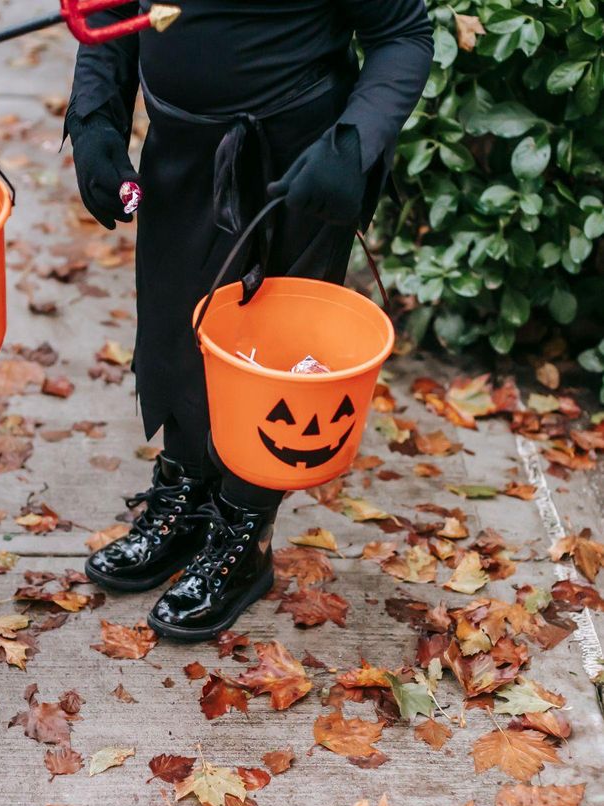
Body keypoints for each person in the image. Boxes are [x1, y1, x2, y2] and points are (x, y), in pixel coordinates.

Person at [67, 1, 433, 640]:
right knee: (175, 330)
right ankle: (185, 498)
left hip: (300, 162)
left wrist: (352, 144)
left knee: (272, 361)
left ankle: (244, 532)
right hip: (180, 149)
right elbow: (106, 15)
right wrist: (96, 120)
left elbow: (402, 33)